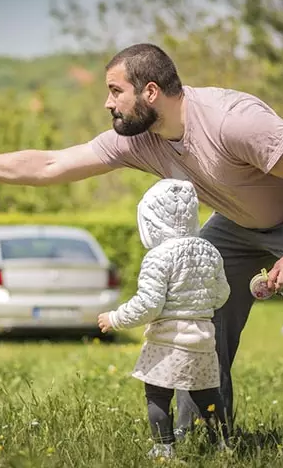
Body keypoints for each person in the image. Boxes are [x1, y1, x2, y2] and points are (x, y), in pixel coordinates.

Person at [0, 43, 283, 463]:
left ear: (150, 91)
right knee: (193, 299)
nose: (107, 103)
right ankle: (201, 431)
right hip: (244, 218)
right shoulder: (138, 139)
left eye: (114, 91)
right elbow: (51, 163)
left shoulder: (231, 118)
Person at [96, 178, 230, 459]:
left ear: (153, 220)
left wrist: (115, 318)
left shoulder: (158, 256)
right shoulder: (211, 251)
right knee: (207, 395)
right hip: (204, 337)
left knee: (158, 394)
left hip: (167, 341)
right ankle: (222, 445)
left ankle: (163, 447)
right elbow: (222, 295)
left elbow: (149, 305)